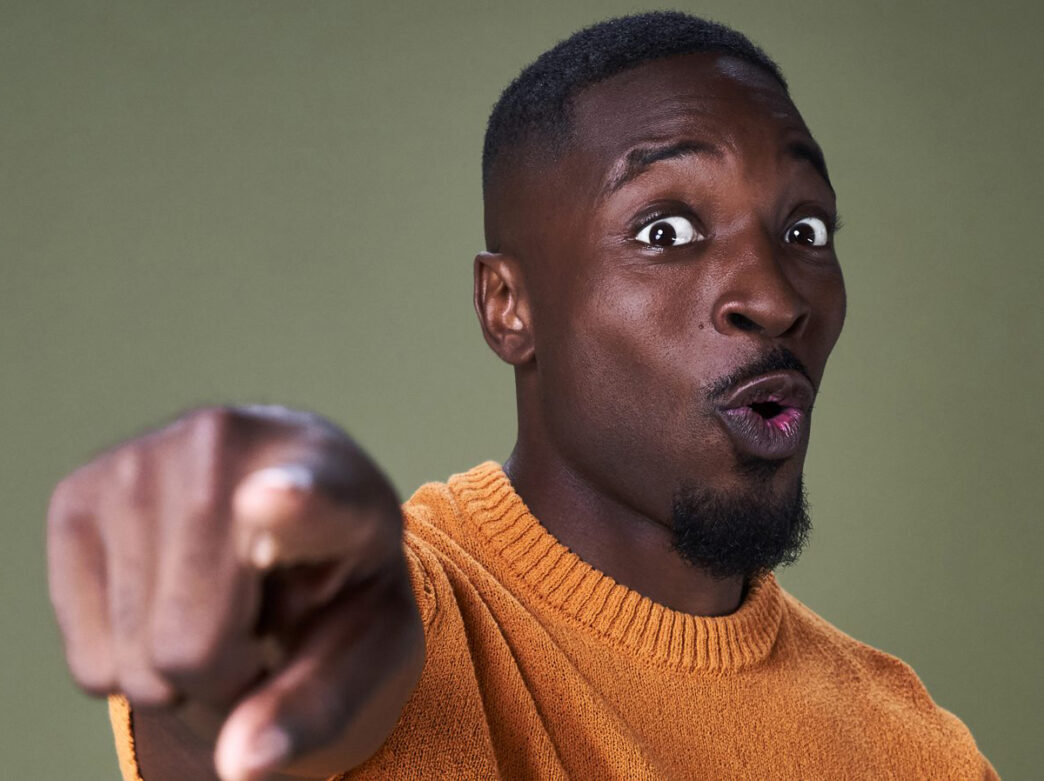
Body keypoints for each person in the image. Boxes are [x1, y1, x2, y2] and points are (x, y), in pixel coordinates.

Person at [47, 12, 997, 781]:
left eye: (806, 230)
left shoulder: (918, 748)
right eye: (665, 229)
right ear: (508, 306)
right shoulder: (416, 611)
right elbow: (262, 699)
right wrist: (260, 605)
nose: (777, 299)